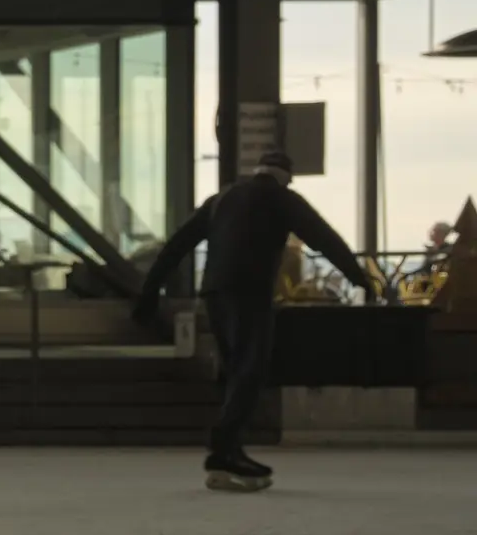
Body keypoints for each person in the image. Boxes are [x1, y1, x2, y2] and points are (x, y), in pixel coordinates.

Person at [132, 150, 372, 491]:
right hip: (250, 293)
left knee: (235, 369)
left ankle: (230, 448)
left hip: (214, 293)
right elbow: (325, 239)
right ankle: (223, 448)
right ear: (286, 177)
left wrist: (149, 292)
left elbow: (177, 244)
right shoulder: (283, 199)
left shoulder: (222, 198)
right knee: (251, 369)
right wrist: (360, 279)